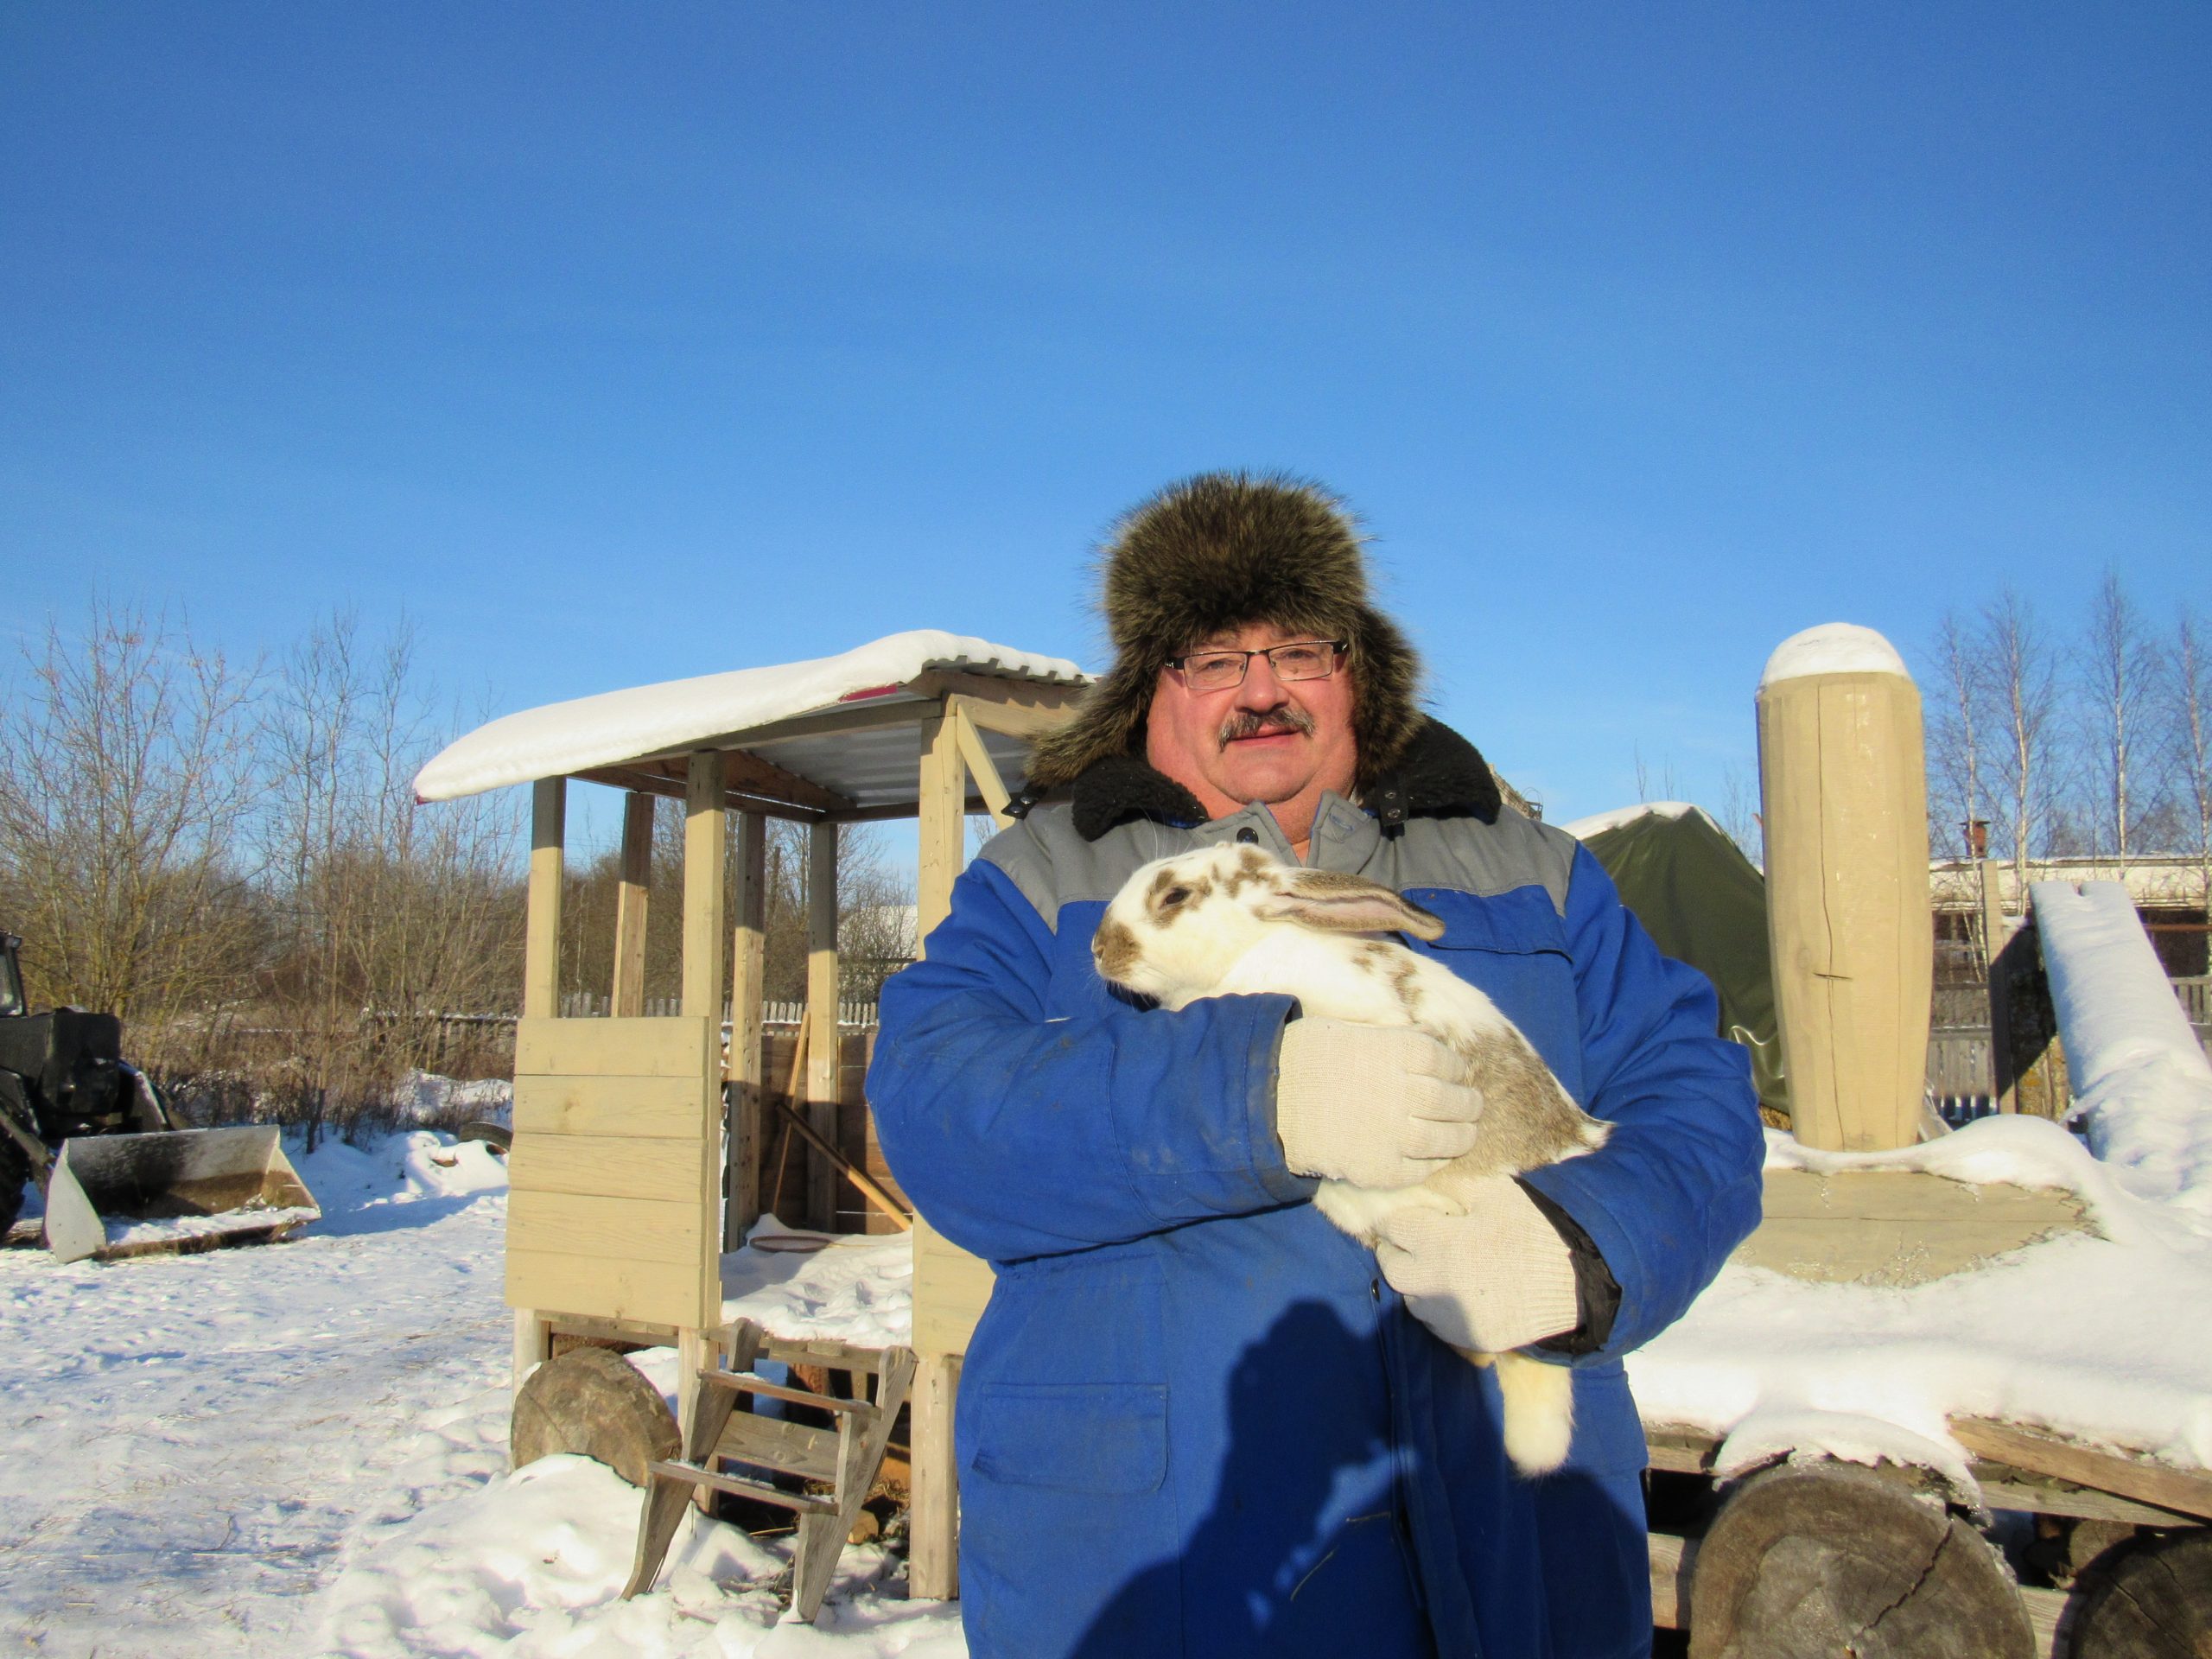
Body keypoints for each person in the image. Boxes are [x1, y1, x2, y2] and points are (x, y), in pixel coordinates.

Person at [868, 473, 1764, 1659]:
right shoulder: (1049, 875)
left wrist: (1589, 1248)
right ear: (1152, 687)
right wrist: (1258, 1097)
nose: (1260, 690)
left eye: (1299, 647)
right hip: (1169, 1575)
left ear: (1359, 667)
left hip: (1522, 1570)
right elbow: (935, 1100)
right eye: (1211, 657)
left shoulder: (1524, 864)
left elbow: (1695, 1090)